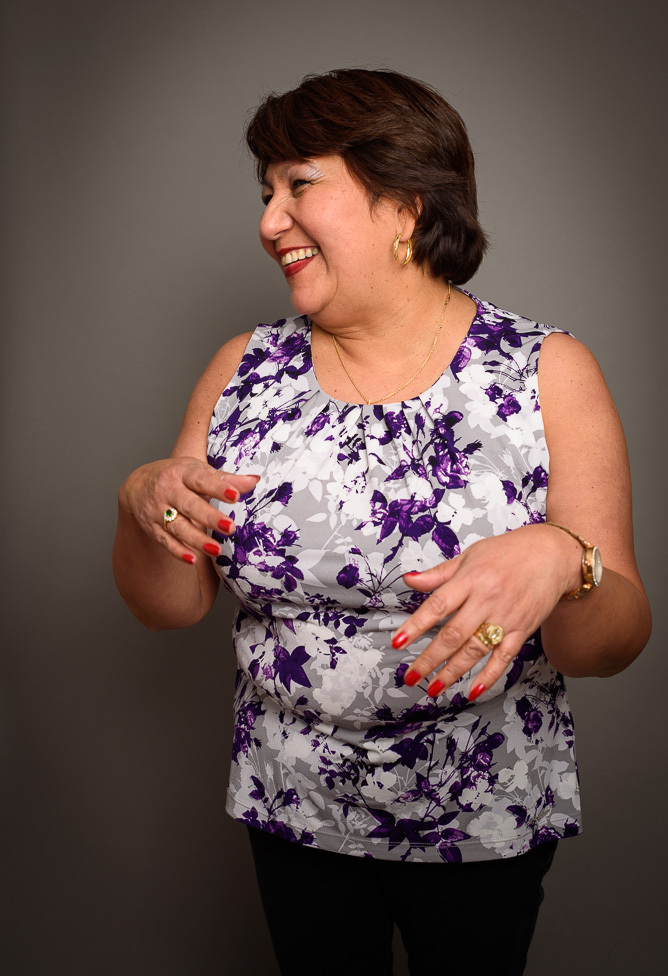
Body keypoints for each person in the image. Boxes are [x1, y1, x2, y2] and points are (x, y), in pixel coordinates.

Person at [113, 69, 651, 975]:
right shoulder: (244, 368)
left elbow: (610, 645)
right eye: (265, 192)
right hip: (293, 803)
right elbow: (168, 604)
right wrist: (137, 500)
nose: (269, 221)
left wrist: (566, 559)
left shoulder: (545, 372)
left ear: (404, 204)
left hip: (481, 811)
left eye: (299, 184)